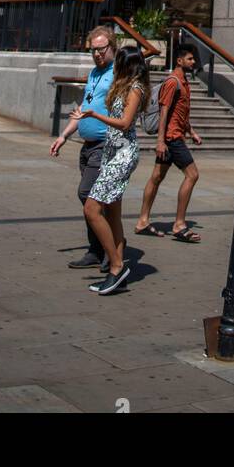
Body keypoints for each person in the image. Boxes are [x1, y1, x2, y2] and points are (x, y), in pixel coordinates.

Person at [79, 48, 149, 295]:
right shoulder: (123, 84)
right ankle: (117, 269)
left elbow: (125, 123)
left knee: (92, 208)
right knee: (112, 212)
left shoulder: (136, 88)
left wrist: (95, 115)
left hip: (122, 155)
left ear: (125, 64)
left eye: (118, 61)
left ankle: (117, 266)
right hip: (111, 153)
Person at [49, 25, 116, 270]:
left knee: (89, 196)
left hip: (104, 145)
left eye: (101, 49)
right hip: (87, 146)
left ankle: (112, 249)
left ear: (112, 46)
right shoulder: (94, 74)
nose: (97, 54)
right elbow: (81, 109)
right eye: (93, 50)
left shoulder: (117, 72)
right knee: (94, 200)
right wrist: (64, 135)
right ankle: (97, 250)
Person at [135, 44, 203, 242]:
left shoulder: (184, 82)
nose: (193, 62)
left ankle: (142, 222)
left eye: (193, 59)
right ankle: (179, 225)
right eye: (189, 59)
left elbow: (179, 113)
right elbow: (164, 112)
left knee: (156, 177)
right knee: (192, 175)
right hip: (171, 139)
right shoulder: (173, 82)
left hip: (174, 136)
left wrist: (192, 132)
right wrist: (160, 141)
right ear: (179, 60)